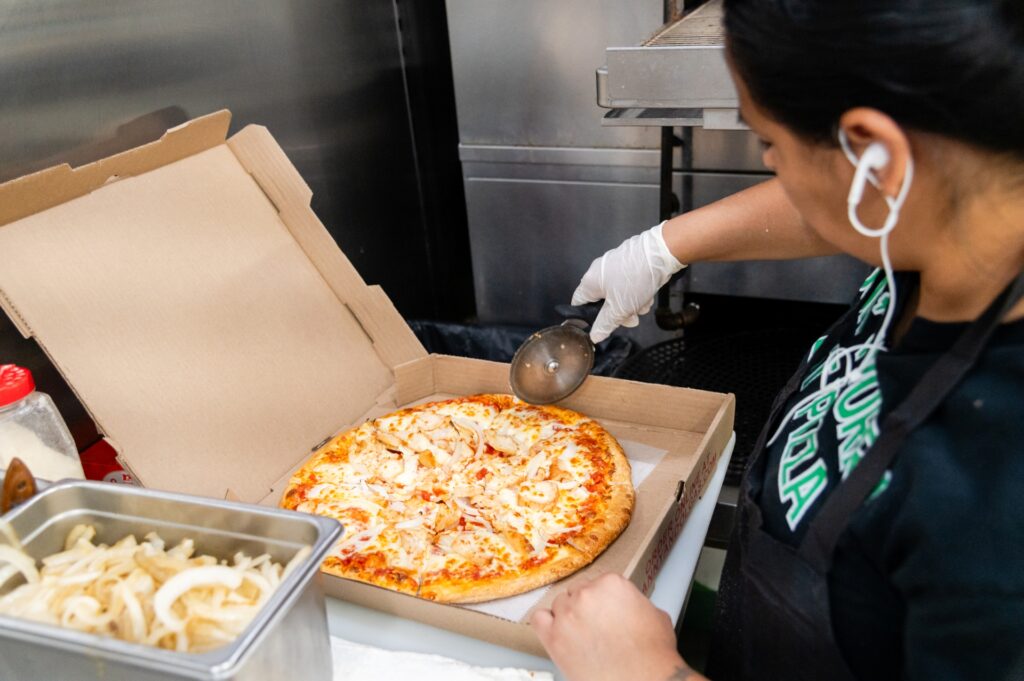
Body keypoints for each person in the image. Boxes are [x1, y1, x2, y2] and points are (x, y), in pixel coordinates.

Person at [529, 1, 1024, 680]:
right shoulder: (968, 202)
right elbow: (846, 197)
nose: (770, 165)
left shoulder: (994, 504)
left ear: (874, 157)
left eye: (770, 142)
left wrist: (649, 674)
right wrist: (664, 246)